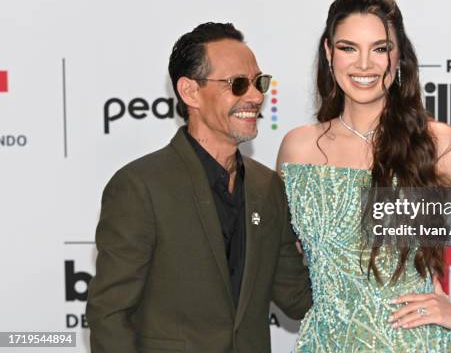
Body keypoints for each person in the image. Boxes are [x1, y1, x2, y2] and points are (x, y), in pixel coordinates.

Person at [276, 0, 451, 352]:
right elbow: (289, 256)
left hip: (415, 343)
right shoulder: (298, 148)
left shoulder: (435, 142)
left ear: (398, 56)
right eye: (348, 48)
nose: (364, 65)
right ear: (329, 53)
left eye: (380, 48)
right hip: (328, 343)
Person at [86, 22, 312, 352]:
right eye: (237, 84)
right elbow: (110, 314)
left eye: (259, 83)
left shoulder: (267, 188)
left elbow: (297, 296)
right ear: (190, 91)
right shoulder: (140, 187)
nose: (255, 96)